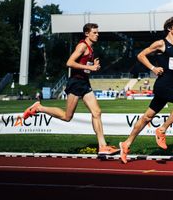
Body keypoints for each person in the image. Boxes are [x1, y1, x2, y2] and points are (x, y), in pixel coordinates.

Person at [22, 23, 119, 156]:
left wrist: (92, 66)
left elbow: (83, 66)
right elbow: (69, 63)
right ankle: (39, 108)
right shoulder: (82, 45)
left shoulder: (91, 48)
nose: (97, 34)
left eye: (97, 32)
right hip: (75, 83)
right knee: (67, 117)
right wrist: (90, 68)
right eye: (95, 32)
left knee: (97, 112)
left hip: (84, 82)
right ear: (87, 34)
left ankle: (102, 146)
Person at [119, 17, 173, 164]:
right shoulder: (160, 43)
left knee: (146, 118)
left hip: (169, 86)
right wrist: (153, 68)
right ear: (169, 29)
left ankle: (126, 144)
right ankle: (162, 129)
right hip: (162, 86)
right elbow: (140, 55)